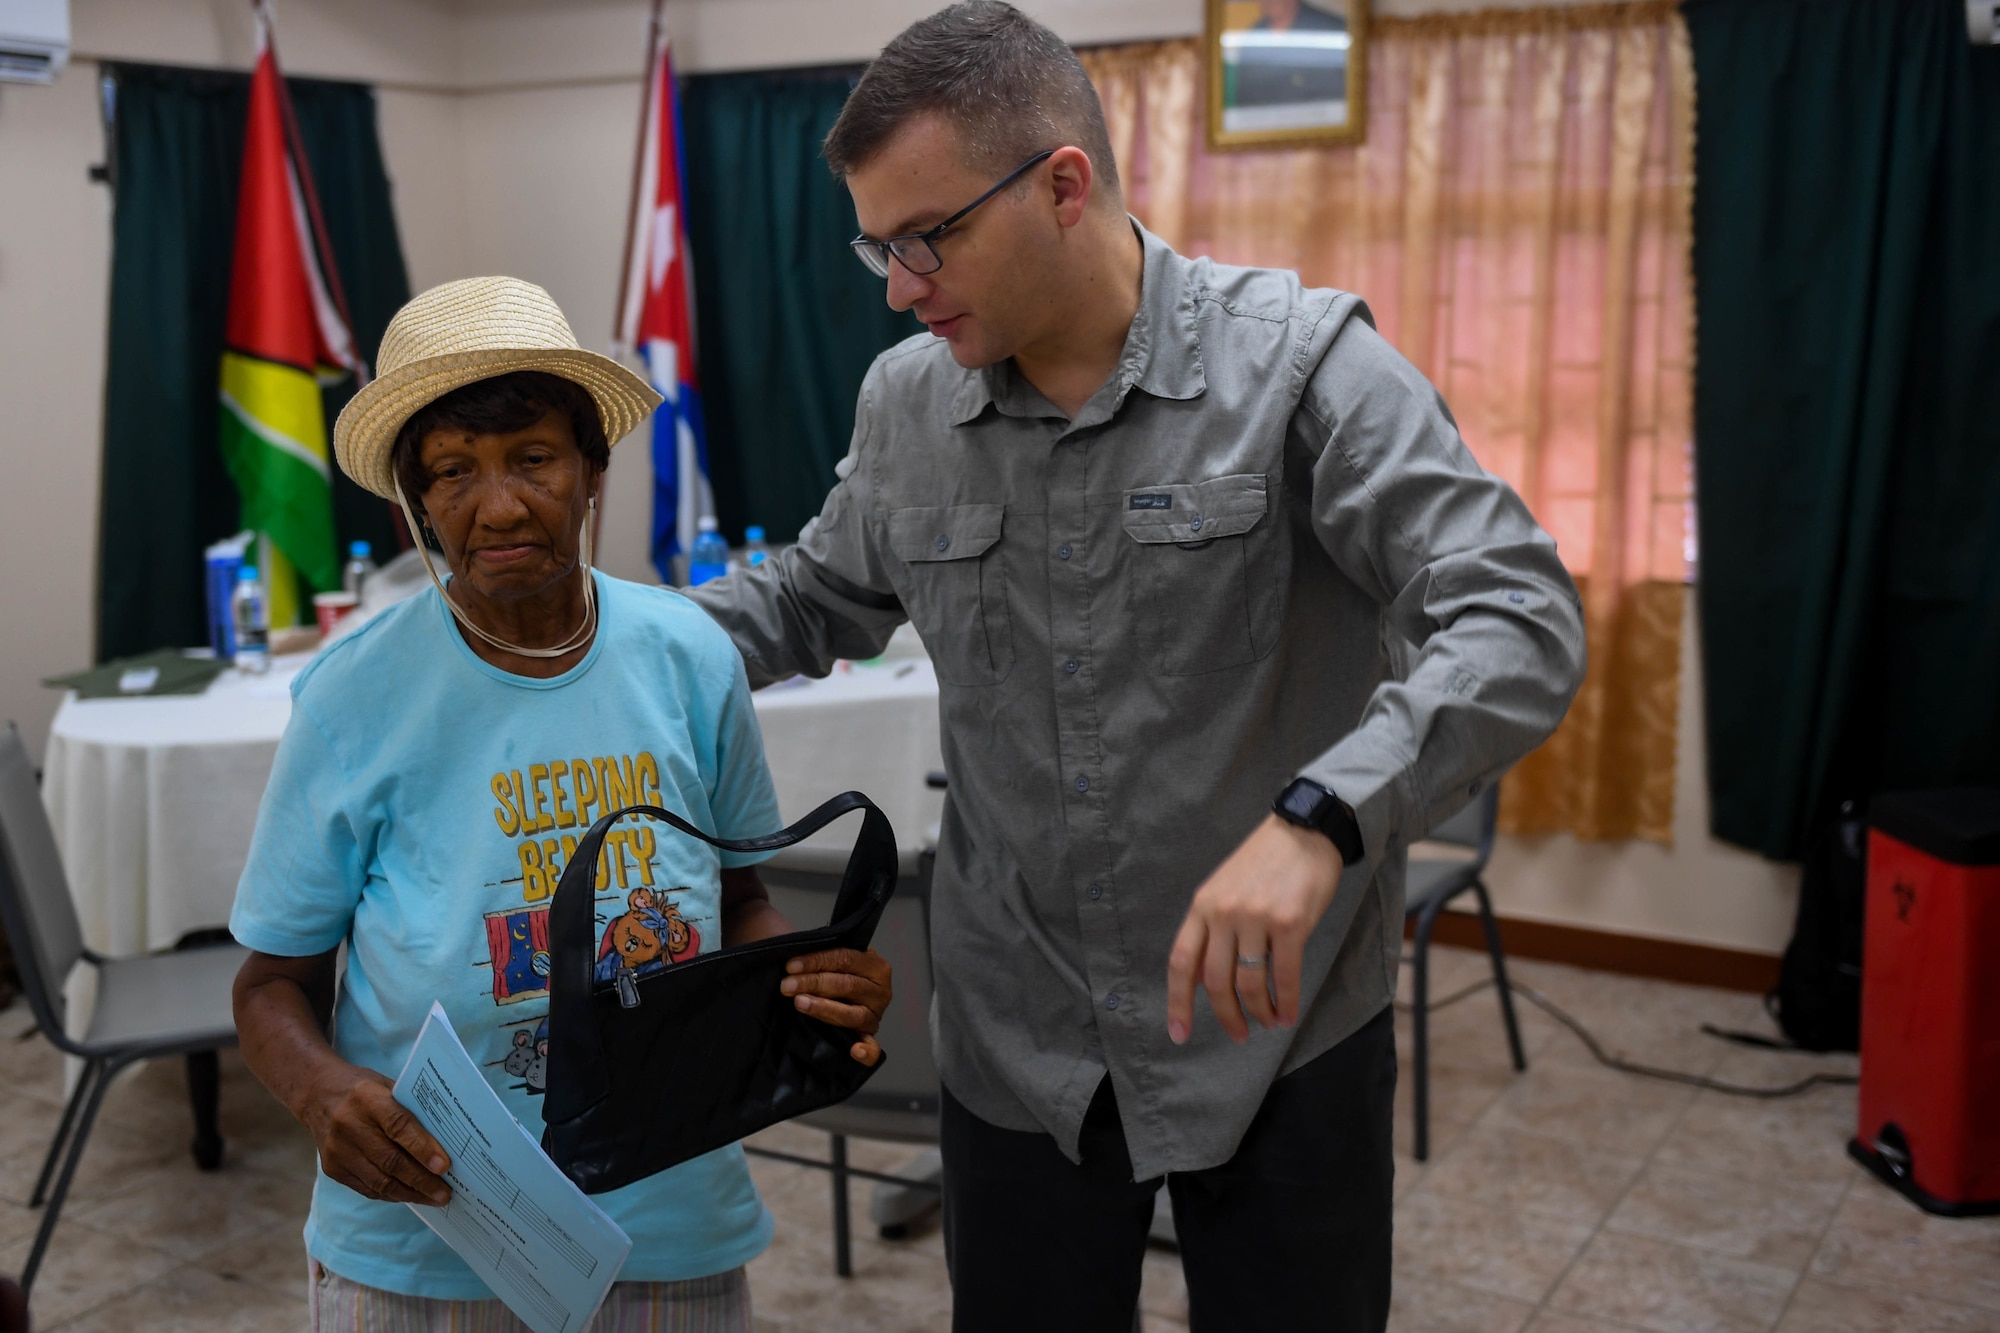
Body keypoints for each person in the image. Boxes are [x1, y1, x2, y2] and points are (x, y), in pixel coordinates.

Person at [684, 5, 1586, 1330]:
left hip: (1277, 1028)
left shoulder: (1302, 369)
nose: (898, 283)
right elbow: (815, 594)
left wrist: (1325, 820)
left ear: (1064, 185)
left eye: (928, 238)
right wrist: (594, 647)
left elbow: (1517, 614)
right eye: (880, 244)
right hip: (1020, 1032)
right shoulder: (906, 404)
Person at [228, 277, 893, 1331]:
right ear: (413, 501)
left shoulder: (686, 654)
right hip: (427, 1226)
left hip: (665, 1213)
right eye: (452, 472)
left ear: (593, 471)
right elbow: (271, 985)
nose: (497, 506)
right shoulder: (352, 698)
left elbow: (738, 895)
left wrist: (795, 981)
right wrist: (319, 1093)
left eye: (532, 458)